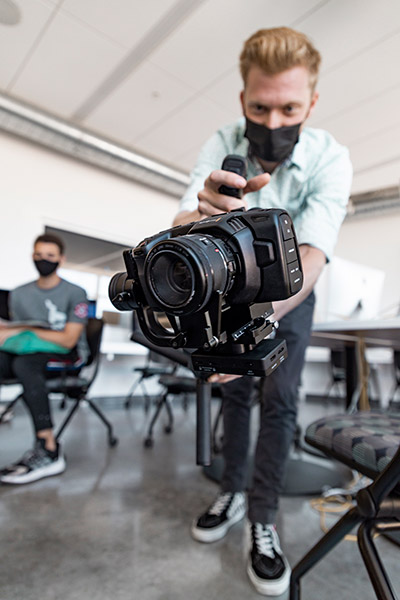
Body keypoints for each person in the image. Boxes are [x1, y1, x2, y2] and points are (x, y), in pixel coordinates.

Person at [173, 27, 352, 596]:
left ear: (312, 103)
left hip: (293, 297)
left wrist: (261, 321)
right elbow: (180, 224)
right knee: (235, 393)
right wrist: (201, 214)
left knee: (279, 401)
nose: (273, 122)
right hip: (229, 295)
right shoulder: (220, 141)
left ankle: (263, 518)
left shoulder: (330, 158)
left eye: (289, 108)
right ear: (242, 99)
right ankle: (231, 489)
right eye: (259, 107)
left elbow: (314, 253)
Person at [0, 233, 89, 485]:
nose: (43, 260)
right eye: (39, 255)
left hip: (67, 356)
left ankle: (48, 448)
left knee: (24, 364)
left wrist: (24, 331)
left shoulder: (75, 292)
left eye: (49, 256)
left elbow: (68, 340)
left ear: (61, 259)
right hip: (30, 351)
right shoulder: (18, 294)